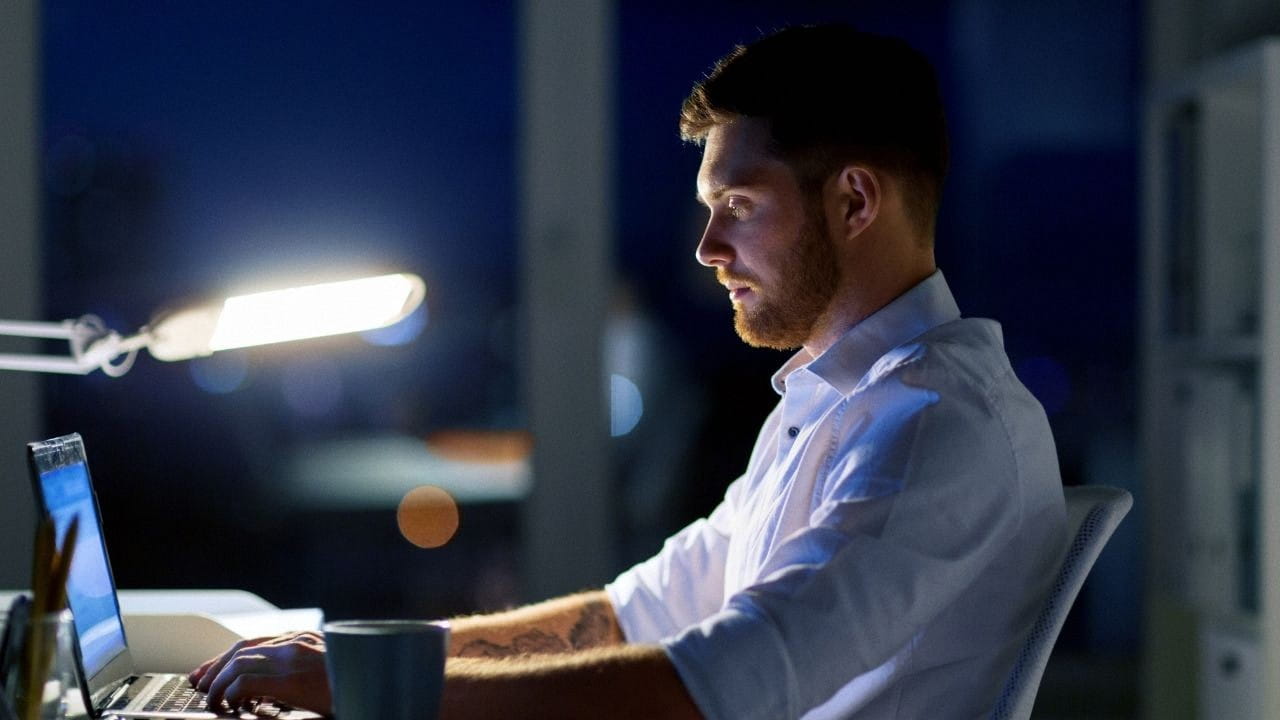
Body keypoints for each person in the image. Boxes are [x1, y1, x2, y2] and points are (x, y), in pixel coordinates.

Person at [189, 24, 1067, 719]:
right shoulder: (835, 402)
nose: (709, 249)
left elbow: (696, 692)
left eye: (738, 207)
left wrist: (364, 693)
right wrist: (368, 658)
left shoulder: (932, 424)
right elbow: (624, 619)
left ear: (854, 200)